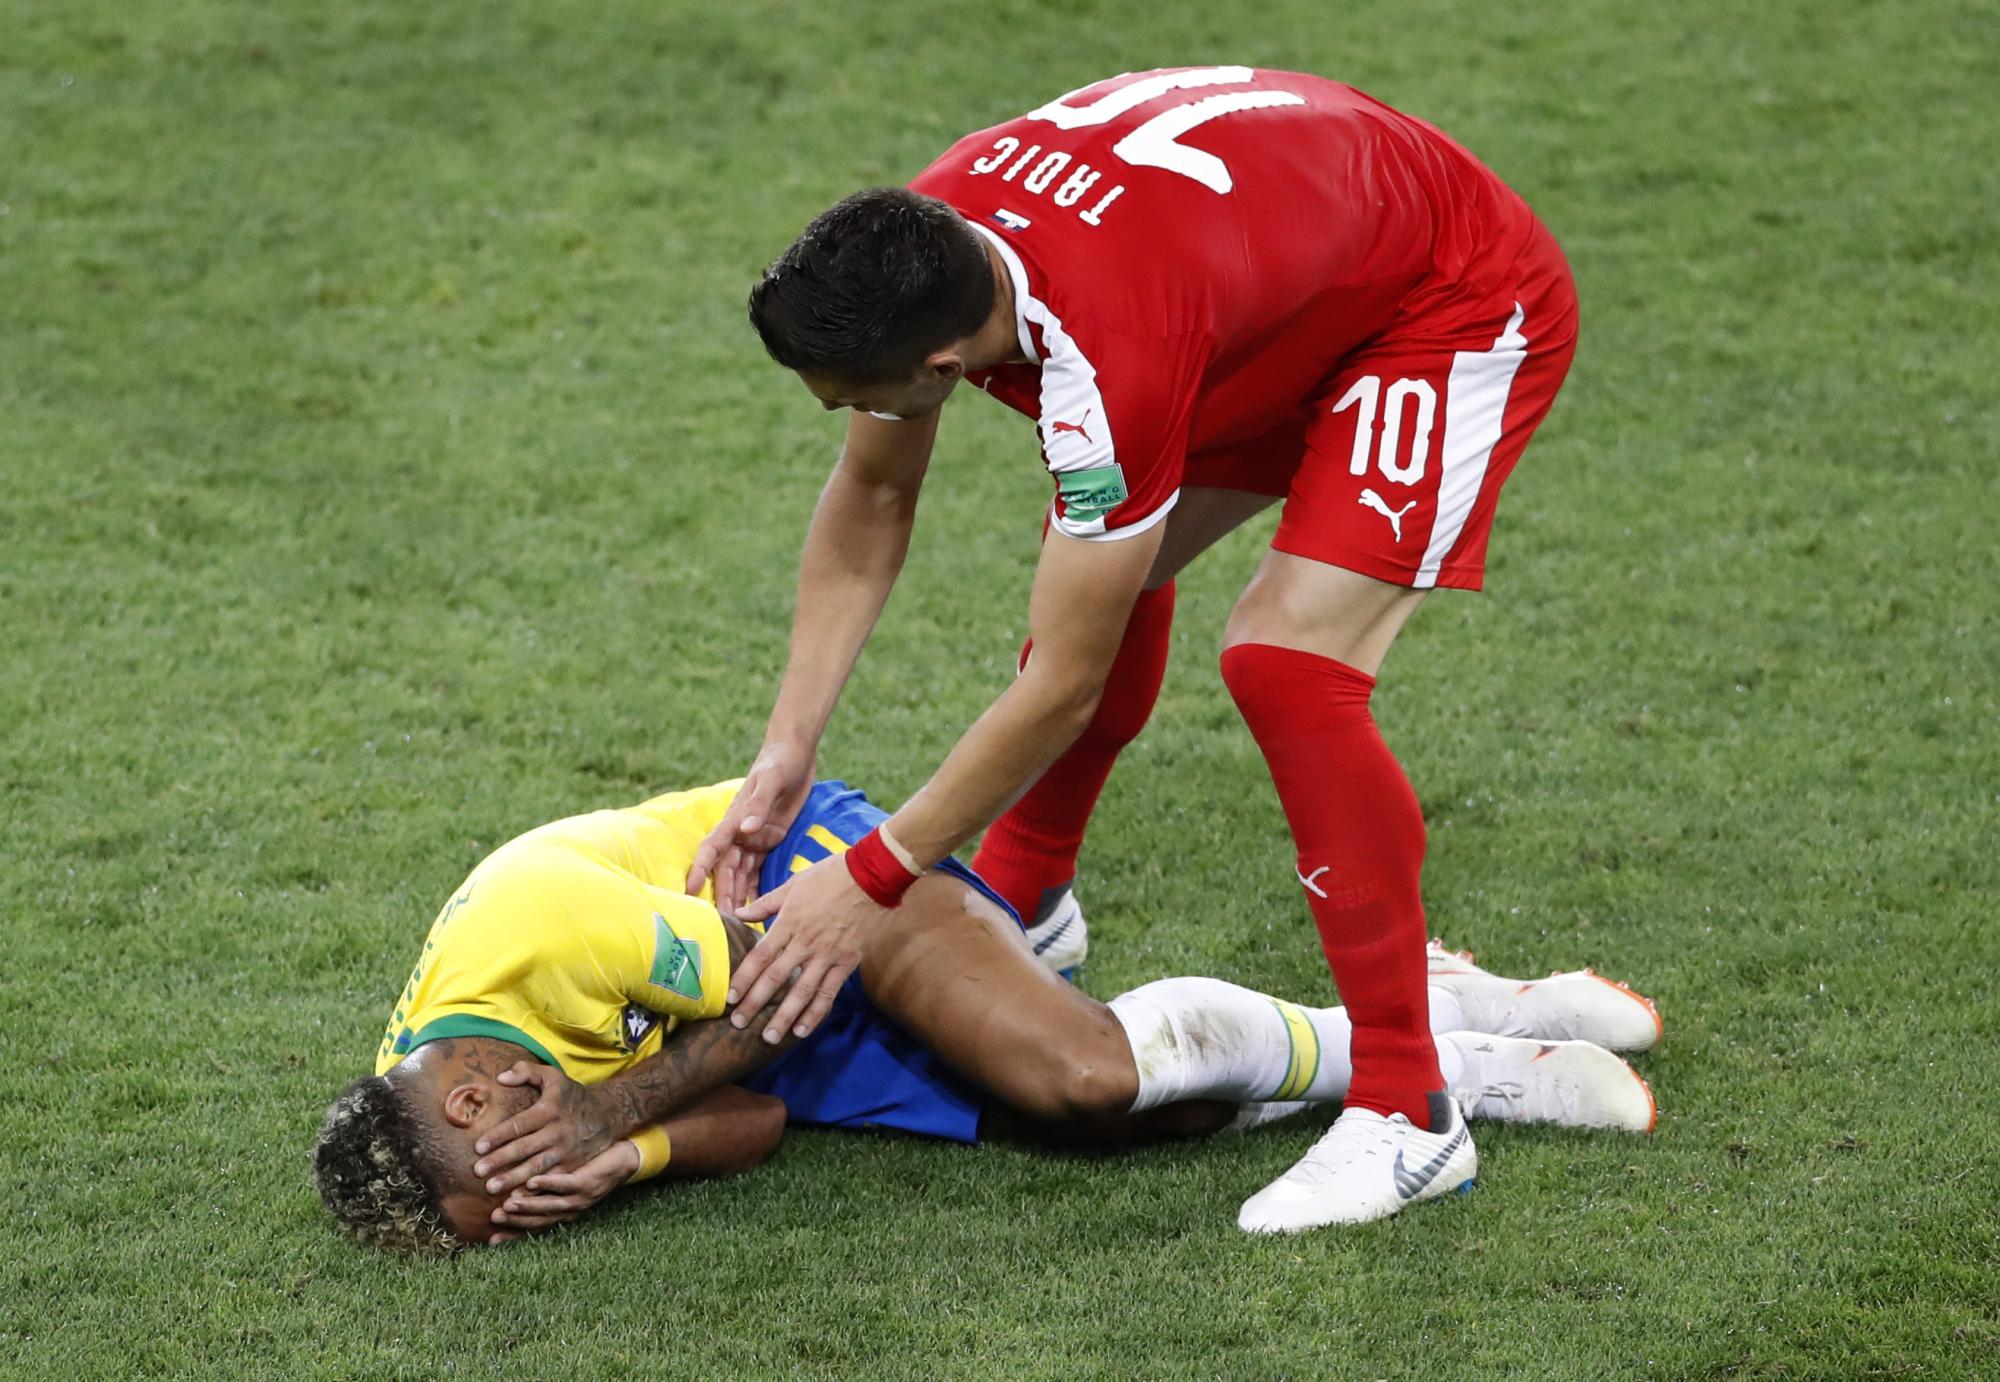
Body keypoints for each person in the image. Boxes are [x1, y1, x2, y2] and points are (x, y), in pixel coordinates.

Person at [693, 66, 1585, 1229]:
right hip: (1276, 272)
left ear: (946, 369)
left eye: (845, 397)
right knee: (1101, 569)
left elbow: (1064, 687)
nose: (836, 413)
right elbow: (871, 496)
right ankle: (1025, 894)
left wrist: (874, 875)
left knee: (1285, 663)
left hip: (1443, 296)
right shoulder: (917, 252)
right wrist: (786, 749)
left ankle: (1409, 1109)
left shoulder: (1107, 365)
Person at [313, 778, 1661, 1252]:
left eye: (516, 1193)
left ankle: (1429, 1054)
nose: (538, 1211)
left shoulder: (537, 921)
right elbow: (757, 1116)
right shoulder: (431, 1093)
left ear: (477, 1102)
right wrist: (627, 1154)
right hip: (736, 999)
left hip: (818, 892)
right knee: (1114, 1125)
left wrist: (610, 1105)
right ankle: (1431, 998)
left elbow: (795, 978)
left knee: (1078, 1071)